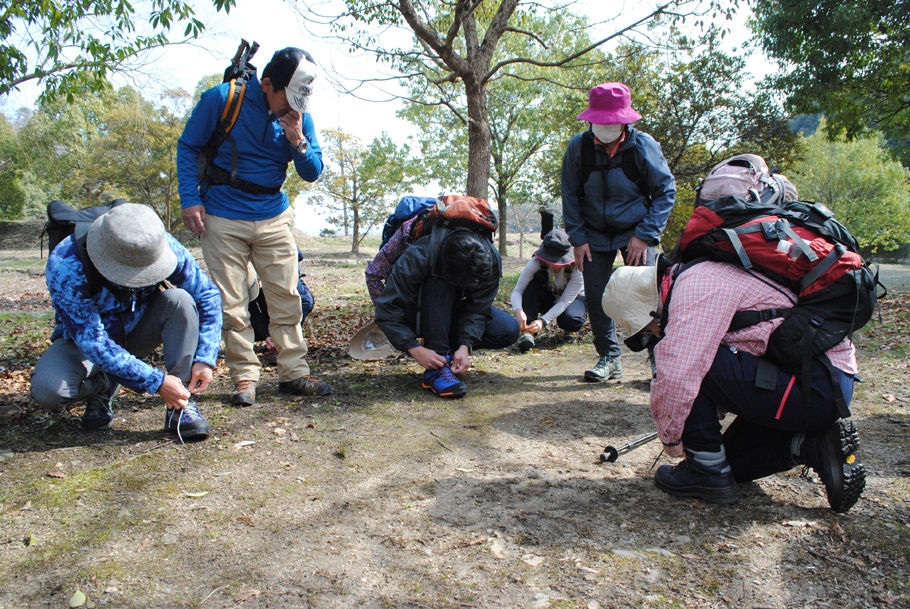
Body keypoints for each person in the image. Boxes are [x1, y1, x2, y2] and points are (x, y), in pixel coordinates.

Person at [600, 259, 865, 512]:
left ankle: (706, 471)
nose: (655, 333)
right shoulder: (699, 276)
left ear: (648, 304)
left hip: (814, 384)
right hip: (817, 385)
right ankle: (811, 443)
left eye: (648, 327)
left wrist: (671, 437)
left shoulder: (695, 285)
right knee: (730, 464)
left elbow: (678, 375)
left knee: (684, 362)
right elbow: (746, 349)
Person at [177, 46, 330, 407]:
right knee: (231, 303)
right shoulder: (220, 99)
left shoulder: (299, 116)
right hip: (222, 213)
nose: (291, 107)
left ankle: (294, 372)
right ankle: (245, 376)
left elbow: (312, 173)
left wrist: (298, 142)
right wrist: (189, 198)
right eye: (285, 98)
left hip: (274, 214)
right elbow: (188, 146)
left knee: (286, 297)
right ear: (266, 84)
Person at [31, 203, 222, 442]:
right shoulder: (66, 263)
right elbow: (92, 340)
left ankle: (180, 403)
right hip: (85, 344)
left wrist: (205, 357)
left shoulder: (160, 242)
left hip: (139, 329)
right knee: (49, 390)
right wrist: (156, 381)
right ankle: (102, 387)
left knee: (180, 300)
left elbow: (207, 295)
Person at [561, 82, 676, 382]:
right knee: (599, 296)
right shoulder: (578, 147)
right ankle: (609, 357)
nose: (605, 128)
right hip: (592, 235)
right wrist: (578, 238)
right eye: (599, 121)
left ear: (625, 120)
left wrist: (645, 234)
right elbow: (570, 195)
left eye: (612, 122)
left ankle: (658, 362)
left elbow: (665, 191)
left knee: (649, 297)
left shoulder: (643, 146)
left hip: (636, 232)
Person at [373, 226, 519, 398]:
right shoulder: (420, 254)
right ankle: (436, 369)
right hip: (422, 310)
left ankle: (448, 356)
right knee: (439, 285)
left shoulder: (489, 260)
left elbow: (478, 308)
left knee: (507, 330)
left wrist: (465, 345)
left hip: (456, 310)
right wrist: (415, 348)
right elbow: (386, 309)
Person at [511, 228, 586, 353]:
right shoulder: (535, 262)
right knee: (532, 287)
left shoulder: (577, 269)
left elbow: (565, 301)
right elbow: (517, 291)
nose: (555, 264)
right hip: (548, 296)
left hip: (571, 300)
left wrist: (543, 321)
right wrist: (518, 310)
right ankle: (528, 330)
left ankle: (569, 329)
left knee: (571, 319)